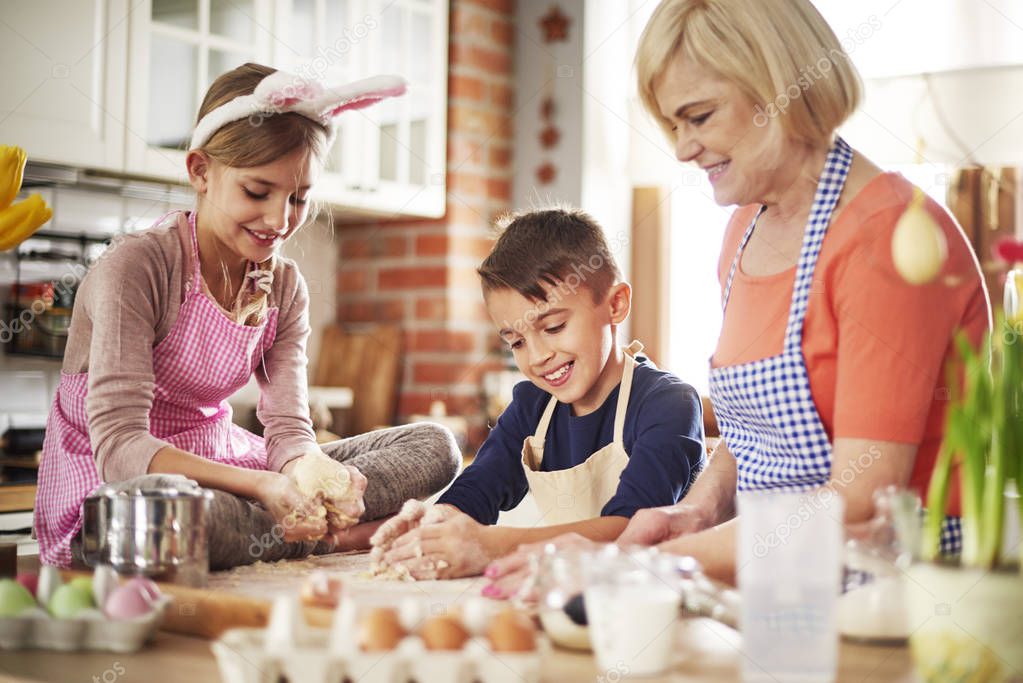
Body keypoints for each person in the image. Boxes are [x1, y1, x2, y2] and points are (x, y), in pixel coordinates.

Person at [484, 0, 990, 589]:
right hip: (779, 584)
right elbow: (752, 436)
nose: (681, 148)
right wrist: (696, 511)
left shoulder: (890, 238)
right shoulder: (746, 228)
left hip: (894, 595)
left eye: (698, 117)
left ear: (780, 89)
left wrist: (632, 561)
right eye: (673, 125)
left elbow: (858, 506)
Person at [36, 63, 461, 570]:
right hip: (118, 493)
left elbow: (286, 429)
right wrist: (264, 485)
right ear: (200, 171)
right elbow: (120, 448)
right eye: (257, 192)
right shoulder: (137, 266)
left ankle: (283, 529)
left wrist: (311, 474)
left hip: (227, 465)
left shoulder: (284, 286)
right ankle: (321, 539)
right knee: (179, 512)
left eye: (299, 198)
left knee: (435, 445)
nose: (280, 221)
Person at [374, 208, 705, 585]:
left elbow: (634, 529)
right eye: (516, 341)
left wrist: (491, 544)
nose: (537, 357)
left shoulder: (668, 404)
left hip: (661, 596)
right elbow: (480, 487)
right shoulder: (533, 406)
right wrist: (438, 523)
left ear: (615, 304)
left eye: (554, 327)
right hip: (579, 592)